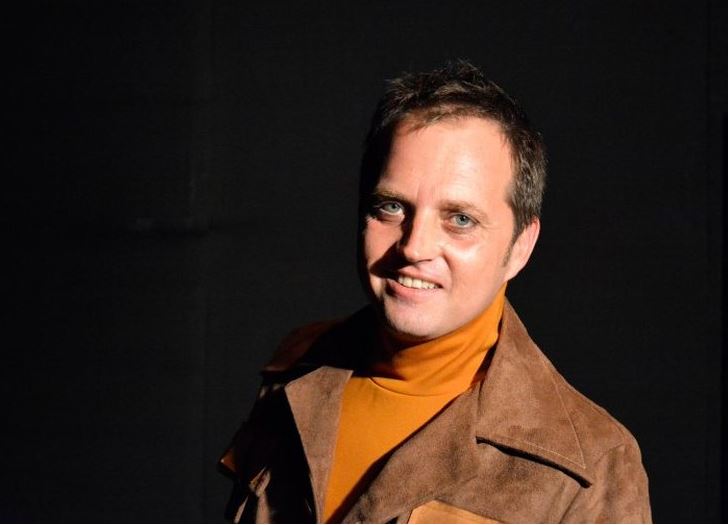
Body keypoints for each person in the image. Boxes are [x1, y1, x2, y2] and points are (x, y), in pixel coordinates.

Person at [219, 60, 651, 524]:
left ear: (521, 246)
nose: (414, 247)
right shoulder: (296, 371)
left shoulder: (592, 466)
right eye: (391, 207)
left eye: (460, 219)